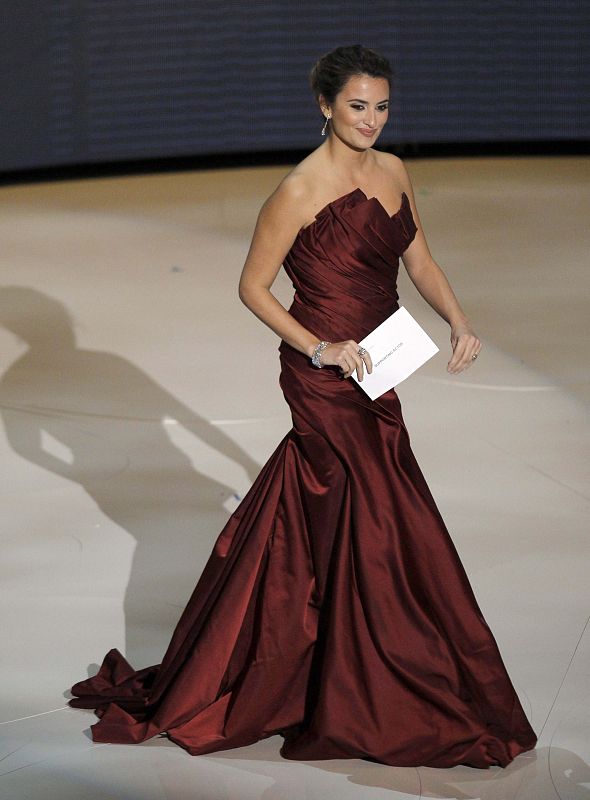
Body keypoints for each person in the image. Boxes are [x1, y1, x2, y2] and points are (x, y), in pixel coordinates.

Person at [69, 44, 537, 769]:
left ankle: (308, 659)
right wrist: (318, 347)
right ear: (324, 105)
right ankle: (383, 686)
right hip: (323, 376)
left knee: (342, 511)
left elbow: (419, 259)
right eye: (357, 106)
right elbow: (253, 288)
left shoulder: (392, 171)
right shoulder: (297, 190)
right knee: (384, 512)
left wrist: (459, 319)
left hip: (379, 366)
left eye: (382, 106)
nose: (371, 120)